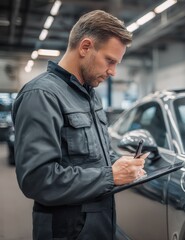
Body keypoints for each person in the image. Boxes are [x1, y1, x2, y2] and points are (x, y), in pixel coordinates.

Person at [12, 10, 147, 239]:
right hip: (68, 231)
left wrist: (121, 165)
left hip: (101, 224)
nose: (113, 71)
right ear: (85, 47)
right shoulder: (41, 95)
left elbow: (90, 159)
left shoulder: (90, 95)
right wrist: (110, 176)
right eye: (110, 60)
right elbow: (37, 180)